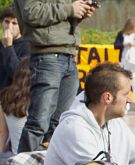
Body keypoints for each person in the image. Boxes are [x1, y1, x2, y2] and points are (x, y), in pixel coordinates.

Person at [14, 0, 96, 153]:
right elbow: (31, 13)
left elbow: (57, 19)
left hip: (68, 56)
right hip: (47, 56)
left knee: (60, 124)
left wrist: (79, 13)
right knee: (38, 124)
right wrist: (69, 9)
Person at [0, 5, 30, 140]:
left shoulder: (27, 47)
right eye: (6, 22)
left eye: (14, 23)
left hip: (14, 114)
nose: (9, 27)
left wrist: (8, 47)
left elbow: (18, 74)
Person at [0, 58, 30, 154]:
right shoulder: (41, 100)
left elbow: (2, 133)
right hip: (38, 159)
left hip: (15, 160)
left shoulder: (5, 98)